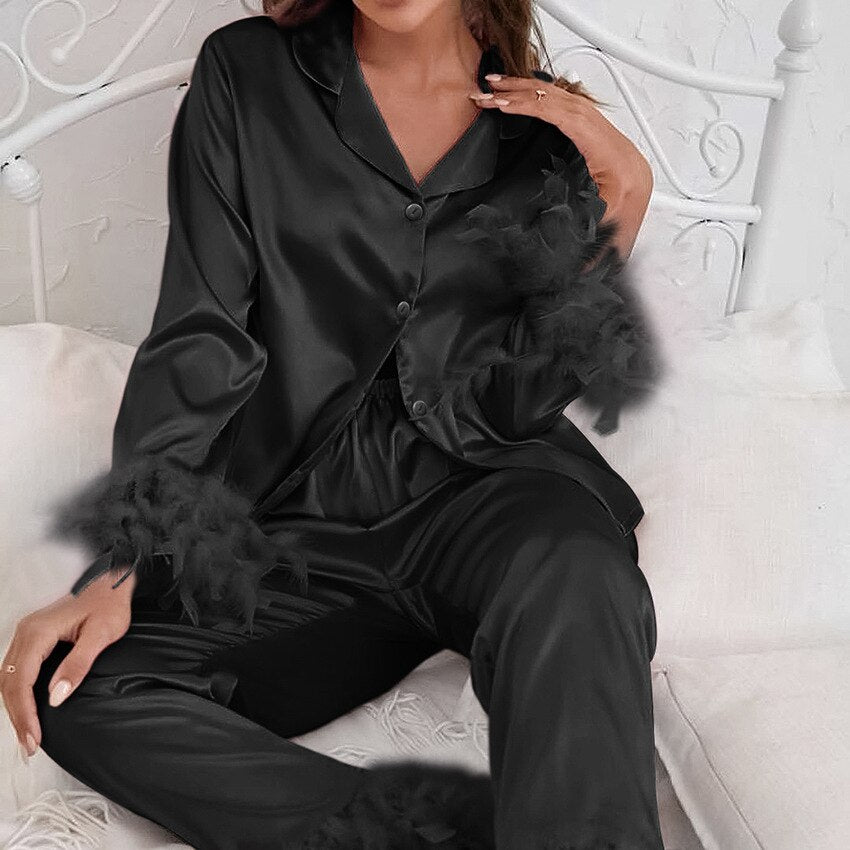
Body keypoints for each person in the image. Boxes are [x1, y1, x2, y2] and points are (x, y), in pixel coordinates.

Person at [1, 0, 662, 847]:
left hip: (483, 506)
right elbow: (201, 335)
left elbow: (515, 404)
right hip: (297, 534)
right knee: (74, 686)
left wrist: (622, 202)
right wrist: (123, 561)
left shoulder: (545, 135)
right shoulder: (248, 75)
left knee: (577, 566)